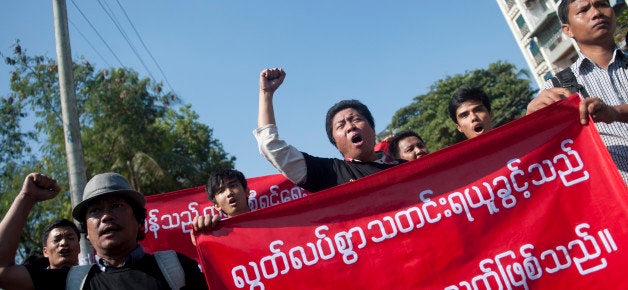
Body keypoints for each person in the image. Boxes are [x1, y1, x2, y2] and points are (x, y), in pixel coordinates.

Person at [0, 172, 208, 290]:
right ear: (87, 233)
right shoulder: (70, 282)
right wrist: (26, 198)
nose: (106, 216)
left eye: (117, 206)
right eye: (96, 210)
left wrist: (213, 239)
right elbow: (3, 271)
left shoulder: (177, 268)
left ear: (139, 221)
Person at [526, 0, 628, 183]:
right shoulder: (555, 88)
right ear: (567, 30)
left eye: (601, 5)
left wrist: (614, 113)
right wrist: (531, 119)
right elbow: (540, 153)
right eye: (583, 10)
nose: (596, 13)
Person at [254, 68, 400, 193]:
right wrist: (266, 93)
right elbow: (271, 147)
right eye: (341, 126)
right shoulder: (330, 173)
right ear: (335, 143)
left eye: (355, 119)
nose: (350, 127)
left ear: (372, 127)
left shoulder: (407, 166)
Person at [191, 169, 251, 236]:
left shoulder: (265, 221)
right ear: (217, 205)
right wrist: (200, 236)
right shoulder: (215, 235)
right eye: (221, 191)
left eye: (233, 186)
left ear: (247, 191)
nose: (229, 193)